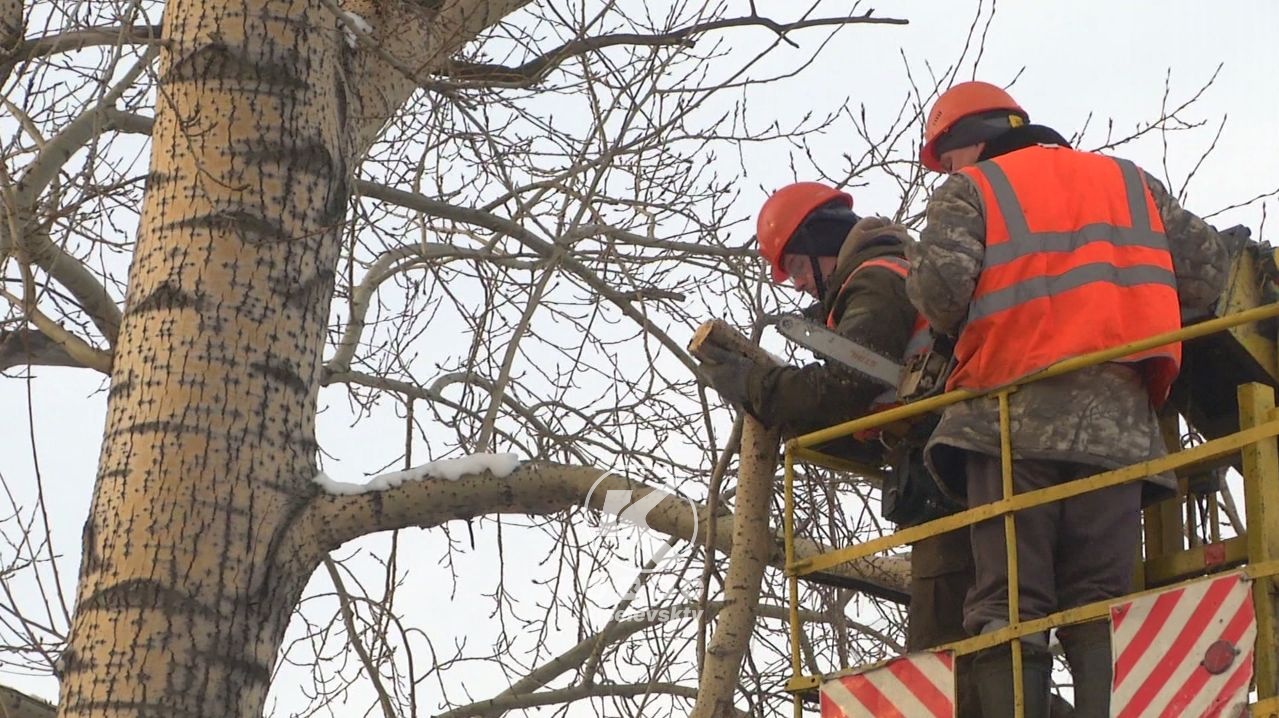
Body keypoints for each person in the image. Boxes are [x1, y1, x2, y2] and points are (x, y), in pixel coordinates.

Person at [906, 81, 1229, 717]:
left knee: (1009, 602)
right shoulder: (1132, 185)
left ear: (966, 144)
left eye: (944, 161)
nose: (944, 173)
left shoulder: (974, 190)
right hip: (1118, 428)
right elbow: (1209, 274)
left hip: (1009, 420)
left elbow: (942, 294)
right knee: (1099, 598)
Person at [697, 181, 979, 716]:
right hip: (955, 469)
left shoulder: (876, 279)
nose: (801, 286)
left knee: (941, 667)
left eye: (799, 268)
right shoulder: (895, 273)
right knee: (975, 661)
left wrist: (760, 389)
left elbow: (846, 386)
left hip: (954, 482)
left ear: (820, 239)